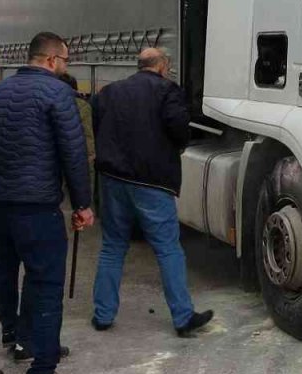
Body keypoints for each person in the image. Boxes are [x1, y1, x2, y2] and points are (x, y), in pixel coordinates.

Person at [0, 32, 94, 374]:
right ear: (51, 61)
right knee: (47, 286)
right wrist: (83, 204)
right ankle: (43, 373)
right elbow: (74, 154)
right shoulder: (58, 94)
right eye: (65, 61)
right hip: (37, 209)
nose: (65, 67)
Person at [90, 48, 213, 337]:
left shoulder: (110, 92)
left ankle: (103, 315)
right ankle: (183, 317)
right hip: (152, 182)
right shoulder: (168, 90)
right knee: (168, 248)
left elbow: (98, 125)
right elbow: (179, 130)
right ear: (161, 66)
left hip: (112, 178)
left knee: (112, 246)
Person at [0, 72, 93, 364]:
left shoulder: (5, 101)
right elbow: (84, 155)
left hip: (6, 199)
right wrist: (82, 203)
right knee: (43, 277)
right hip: (50, 198)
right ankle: (35, 345)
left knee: (4, 270)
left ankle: (11, 332)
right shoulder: (74, 106)